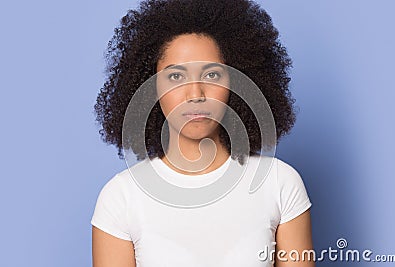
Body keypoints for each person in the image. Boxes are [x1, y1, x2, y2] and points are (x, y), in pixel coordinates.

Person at [91, 0, 314, 266]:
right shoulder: (121, 198)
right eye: (175, 77)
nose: (195, 94)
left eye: (211, 75)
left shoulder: (279, 183)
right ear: (149, 88)